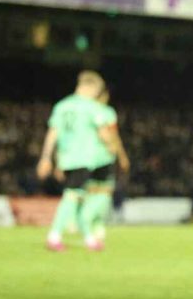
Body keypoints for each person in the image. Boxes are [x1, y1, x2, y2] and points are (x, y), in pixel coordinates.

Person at [36, 71, 119, 251]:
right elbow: (103, 132)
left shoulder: (62, 106)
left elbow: (53, 133)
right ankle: (54, 235)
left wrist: (46, 158)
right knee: (72, 196)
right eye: (96, 91)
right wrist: (113, 147)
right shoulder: (91, 107)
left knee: (79, 197)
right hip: (84, 158)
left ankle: (89, 239)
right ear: (90, 88)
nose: (96, 95)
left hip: (66, 158)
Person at [81, 87, 130, 250]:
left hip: (85, 158)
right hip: (103, 157)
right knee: (105, 192)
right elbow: (112, 135)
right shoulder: (107, 112)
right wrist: (121, 155)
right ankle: (94, 223)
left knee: (90, 192)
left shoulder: (84, 109)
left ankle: (92, 223)